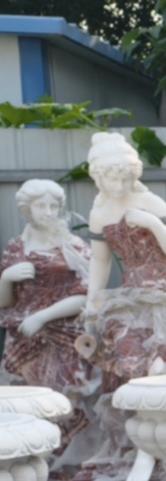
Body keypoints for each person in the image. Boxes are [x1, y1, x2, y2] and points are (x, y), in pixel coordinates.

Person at [75, 132, 166, 481]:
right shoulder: (99, 213)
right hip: (129, 296)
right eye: (111, 177)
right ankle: (142, 449)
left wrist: (151, 223)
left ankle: (160, 452)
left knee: (161, 364)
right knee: (126, 362)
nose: (119, 184)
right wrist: (91, 305)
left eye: (124, 176)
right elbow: (100, 263)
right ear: (98, 176)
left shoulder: (152, 203)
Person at [0, 179, 98, 480]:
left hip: (65, 338)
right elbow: (5, 303)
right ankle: (31, 468)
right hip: (23, 341)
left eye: (54, 206)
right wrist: (5, 278)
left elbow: (87, 294)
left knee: (67, 404)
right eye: (41, 205)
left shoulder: (72, 245)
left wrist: (42, 316)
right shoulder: (16, 247)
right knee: (26, 405)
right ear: (26, 209)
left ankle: (68, 472)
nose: (49, 211)